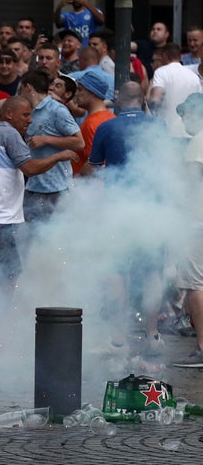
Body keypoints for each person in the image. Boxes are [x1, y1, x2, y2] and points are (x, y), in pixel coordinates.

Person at [0, 96, 78, 306]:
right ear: (9, 114)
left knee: (12, 273)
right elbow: (30, 168)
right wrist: (59, 156)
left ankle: (1, 318)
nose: (29, 120)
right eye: (25, 115)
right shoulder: (11, 135)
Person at [82, 82, 169, 355]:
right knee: (153, 271)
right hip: (152, 211)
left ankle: (119, 340)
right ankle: (152, 335)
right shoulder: (158, 127)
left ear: (118, 100)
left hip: (117, 210)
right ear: (142, 99)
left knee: (117, 272)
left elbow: (95, 172)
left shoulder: (107, 127)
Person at [19, 69, 83, 224]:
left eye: (20, 89)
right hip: (33, 185)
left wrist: (46, 139)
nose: (19, 93)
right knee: (32, 237)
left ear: (28, 88)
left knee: (53, 238)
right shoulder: (27, 111)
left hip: (56, 189)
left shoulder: (57, 110)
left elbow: (79, 142)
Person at [173, 92, 203, 367]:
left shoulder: (198, 142)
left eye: (185, 116)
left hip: (196, 221)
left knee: (195, 285)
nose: (183, 123)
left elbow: (189, 185)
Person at [148, 43, 201, 138]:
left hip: (167, 131)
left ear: (164, 56)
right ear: (180, 57)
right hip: (190, 132)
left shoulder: (161, 72)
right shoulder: (193, 76)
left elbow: (155, 100)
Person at [72, 71, 114, 175]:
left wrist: (76, 183)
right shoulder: (111, 117)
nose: (76, 94)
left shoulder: (92, 123)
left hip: (87, 187)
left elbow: (94, 163)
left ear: (93, 93)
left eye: (80, 90)